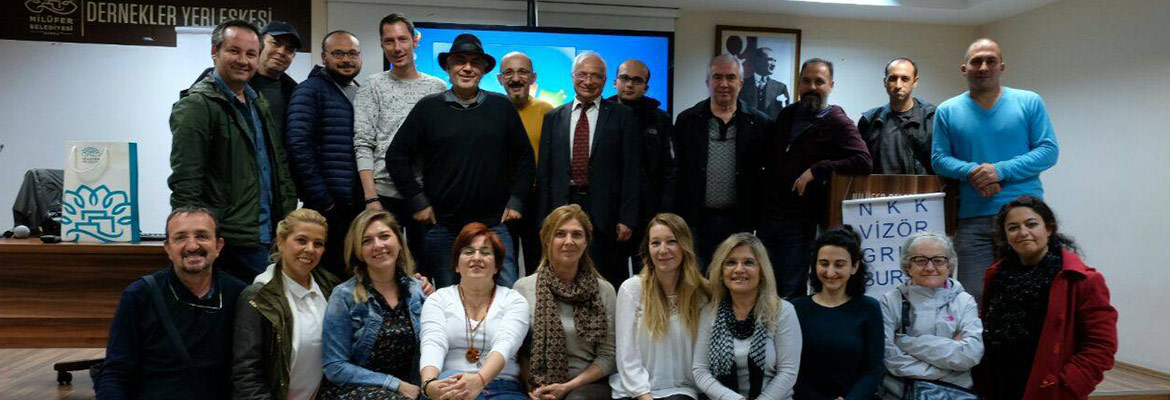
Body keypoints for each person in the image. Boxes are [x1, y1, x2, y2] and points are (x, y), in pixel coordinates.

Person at [386, 33, 534, 288]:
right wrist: (417, 200)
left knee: (506, 296)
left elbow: (525, 157)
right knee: (449, 299)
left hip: (494, 225)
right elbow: (396, 155)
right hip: (443, 227)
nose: (467, 68)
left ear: (483, 70)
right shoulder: (428, 108)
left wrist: (517, 200)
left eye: (475, 62)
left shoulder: (501, 107)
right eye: (459, 61)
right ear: (448, 67)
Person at [169, 20, 299, 283]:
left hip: (266, 236)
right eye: (234, 51)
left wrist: (286, 220)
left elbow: (276, 166)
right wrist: (192, 238)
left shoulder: (257, 103)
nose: (243, 60)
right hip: (228, 241)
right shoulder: (197, 105)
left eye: (251, 54)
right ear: (214, 51)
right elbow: (186, 181)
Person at [931, 38, 1059, 302]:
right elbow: (939, 159)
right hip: (973, 218)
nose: (983, 67)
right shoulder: (947, 110)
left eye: (990, 60)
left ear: (1002, 66)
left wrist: (999, 171)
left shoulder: (1028, 102)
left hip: (1025, 216)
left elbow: (1048, 151)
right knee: (974, 297)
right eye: (976, 61)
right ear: (964, 69)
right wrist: (972, 172)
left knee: (1031, 293)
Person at [95, 206, 247, 400]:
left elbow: (251, 372)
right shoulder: (139, 296)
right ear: (167, 248)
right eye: (180, 237)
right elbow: (116, 372)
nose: (192, 246)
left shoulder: (239, 295)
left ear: (218, 245)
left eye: (202, 236)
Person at [976, 196, 1117, 400]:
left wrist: (1066, 388)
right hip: (1000, 386)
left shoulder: (1082, 280)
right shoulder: (996, 276)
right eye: (1013, 228)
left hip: (1049, 391)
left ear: (1049, 228)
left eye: (1031, 224)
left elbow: (1101, 346)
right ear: (1005, 236)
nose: (1023, 232)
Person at [760, 58, 872, 299]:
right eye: (806, 81)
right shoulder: (787, 115)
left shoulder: (838, 122)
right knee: (765, 288)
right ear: (798, 84)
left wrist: (818, 169)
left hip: (800, 222)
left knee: (791, 291)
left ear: (831, 85)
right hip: (768, 218)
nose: (812, 87)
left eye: (819, 82)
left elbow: (863, 160)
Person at [536, 51, 641, 286]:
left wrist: (627, 218)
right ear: (572, 77)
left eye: (595, 76)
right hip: (562, 207)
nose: (588, 81)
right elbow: (545, 173)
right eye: (582, 74)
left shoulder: (623, 116)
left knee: (607, 279)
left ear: (605, 80)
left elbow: (631, 171)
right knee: (563, 276)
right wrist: (544, 218)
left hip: (607, 214)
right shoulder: (554, 117)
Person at [354, 13, 447, 260]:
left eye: (402, 39)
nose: (397, 48)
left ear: (415, 41)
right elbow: (363, 143)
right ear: (382, 44)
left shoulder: (437, 87)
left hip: (424, 195)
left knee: (424, 269)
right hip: (384, 195)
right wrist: (371, 198)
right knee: (385, 266)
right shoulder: (372, 86)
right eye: (389, 41)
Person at [232, 208, 342, 400]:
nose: (310, 249)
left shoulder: (332, 288)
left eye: (318, 243)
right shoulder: (257, 296)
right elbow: (247, 375)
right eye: (301, 240)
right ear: (281, 242)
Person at [319, 209, 429, 399]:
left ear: (399, 242)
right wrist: (395, 385)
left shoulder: (417, 290)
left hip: (412, 388)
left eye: (384, 236)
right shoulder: (343, 296)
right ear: (358, 251)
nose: (378, 245)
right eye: (367, 241)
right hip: (356, 389)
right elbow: (335, 367)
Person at [673, 54, 769, 268]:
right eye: (717, 77)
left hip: (740, 221)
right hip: (696, 221)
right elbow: (676, 171)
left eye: (730, 77)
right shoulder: (687, 120)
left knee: (734, 276)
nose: (724, 84)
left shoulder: (759, 124)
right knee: (696, 278)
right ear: (708, 82)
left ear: (740, 83)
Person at [514, 204, 617, 400]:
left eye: (577, 235)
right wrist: (533, 389)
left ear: (586, 242)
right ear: (547, 240)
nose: (569, 241)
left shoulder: (604, 291)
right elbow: (520, 353)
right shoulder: (523, 288)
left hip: (589, 386)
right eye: (560, 234)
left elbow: (609, 355)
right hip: (537, 386)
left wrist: (568, 387)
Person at [419, 223, 531, 400]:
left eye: (485, 252)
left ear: (497, 266)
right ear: (456, 265)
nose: (477, 257)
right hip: (451, 383)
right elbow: (433, 343)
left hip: (503, 387)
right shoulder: (438, 299)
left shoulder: (514, 300)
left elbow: (505, 344)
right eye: (468, 252)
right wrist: (429, 384)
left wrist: (479, 380)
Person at [285, 30, 364, 278]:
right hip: (329, 207)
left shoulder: (361, 92)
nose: (346, 60)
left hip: (356, 204)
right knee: (327, 276)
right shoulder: (310, 90)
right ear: (324, 57)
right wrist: (323, 199)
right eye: (338, 54)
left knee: (354, 273)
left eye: (352, 54)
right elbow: (298, 146)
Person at [610, 213, 709, 400]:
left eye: (671, 242)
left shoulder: (702, 294)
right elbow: (626, 355)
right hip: (634, 390)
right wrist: (643, 395)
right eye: (655, 243)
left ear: (685, 245)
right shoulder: (631, 289)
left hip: (682, 390)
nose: (662, 250)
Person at [694, 233, 802, 400]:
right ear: (721, 271)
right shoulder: (710, 312)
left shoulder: (783, 311)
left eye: (748, 262)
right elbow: (700, 371)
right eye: (731, 262)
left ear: (762, 271)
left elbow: (788, 372)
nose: (739, 269)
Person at [877, 232, 982, 400]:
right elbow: (887, 356)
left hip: (955, 394)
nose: (930, 267)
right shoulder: (890, 301)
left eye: (938, 260)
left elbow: (969, 355)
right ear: (908, 266)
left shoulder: (965, 301)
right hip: (901, 394)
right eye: (920, 260)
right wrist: (947, 368)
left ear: (949, 265)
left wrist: (904, 342)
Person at [791, 226, 883, 400]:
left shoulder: (869, 308)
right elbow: (791, 369)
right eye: (824, 263)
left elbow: (874, 369)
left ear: (854, 266)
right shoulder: (796, 308)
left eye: (839, 264)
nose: (830, 272)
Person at [609, 58, 677, 272]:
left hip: (650, 214)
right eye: (624, 78)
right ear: (615, 82)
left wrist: (664, 216)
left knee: (649, 277)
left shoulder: (660, 119)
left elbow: (670, 170)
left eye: (637, 81)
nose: (629, 84)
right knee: (610, 278)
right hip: (611, 214)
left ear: (646, 87)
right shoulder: (603, 115)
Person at [192, 21, 302, 137]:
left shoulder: (296, 94)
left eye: (289, 50)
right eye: (275, 43)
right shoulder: (221, 80)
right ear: (259, 45)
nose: (281, 52)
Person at [497, 51, 554, 275]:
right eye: (508, 72)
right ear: (500, 79)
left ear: (533, 77)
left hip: (536, 201)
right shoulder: (492, 109)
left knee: (538, 264)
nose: (515, 78)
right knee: (502, 264)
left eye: (522, 72)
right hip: (501, 201)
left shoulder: (547, 111)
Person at [858, 58, 936, 175]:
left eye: (905, 79)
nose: (898, 85)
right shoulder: (870, 121)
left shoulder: (932, 118)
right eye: (893, 78)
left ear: (915, 82)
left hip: (922, 186)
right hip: (880, 186)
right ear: (885, 82)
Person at [741, 47, 790, 120]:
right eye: (770, 59)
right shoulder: (742, 85)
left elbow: (786, 115)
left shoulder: (781, 87)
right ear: (757, 61)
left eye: (775, 60)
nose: (774, 64)